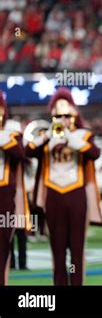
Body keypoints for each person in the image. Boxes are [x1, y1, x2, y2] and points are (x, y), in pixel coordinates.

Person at [25, 87, 102, 285]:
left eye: (66, 115)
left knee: (77, 250)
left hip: (76, 194)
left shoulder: (83, 135)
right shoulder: (46, 137)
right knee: (57, 251)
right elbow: (27, 151)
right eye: (58, 115)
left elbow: (95, 153)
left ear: (74, 114)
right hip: (54, 195)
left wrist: (70, 137)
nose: (62, 119)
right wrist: (47, 136)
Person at [0, 91, 31, 285]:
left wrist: (2, 138)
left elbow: (21, 155)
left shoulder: (10, 132)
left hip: (4, 195)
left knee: (3, 247)